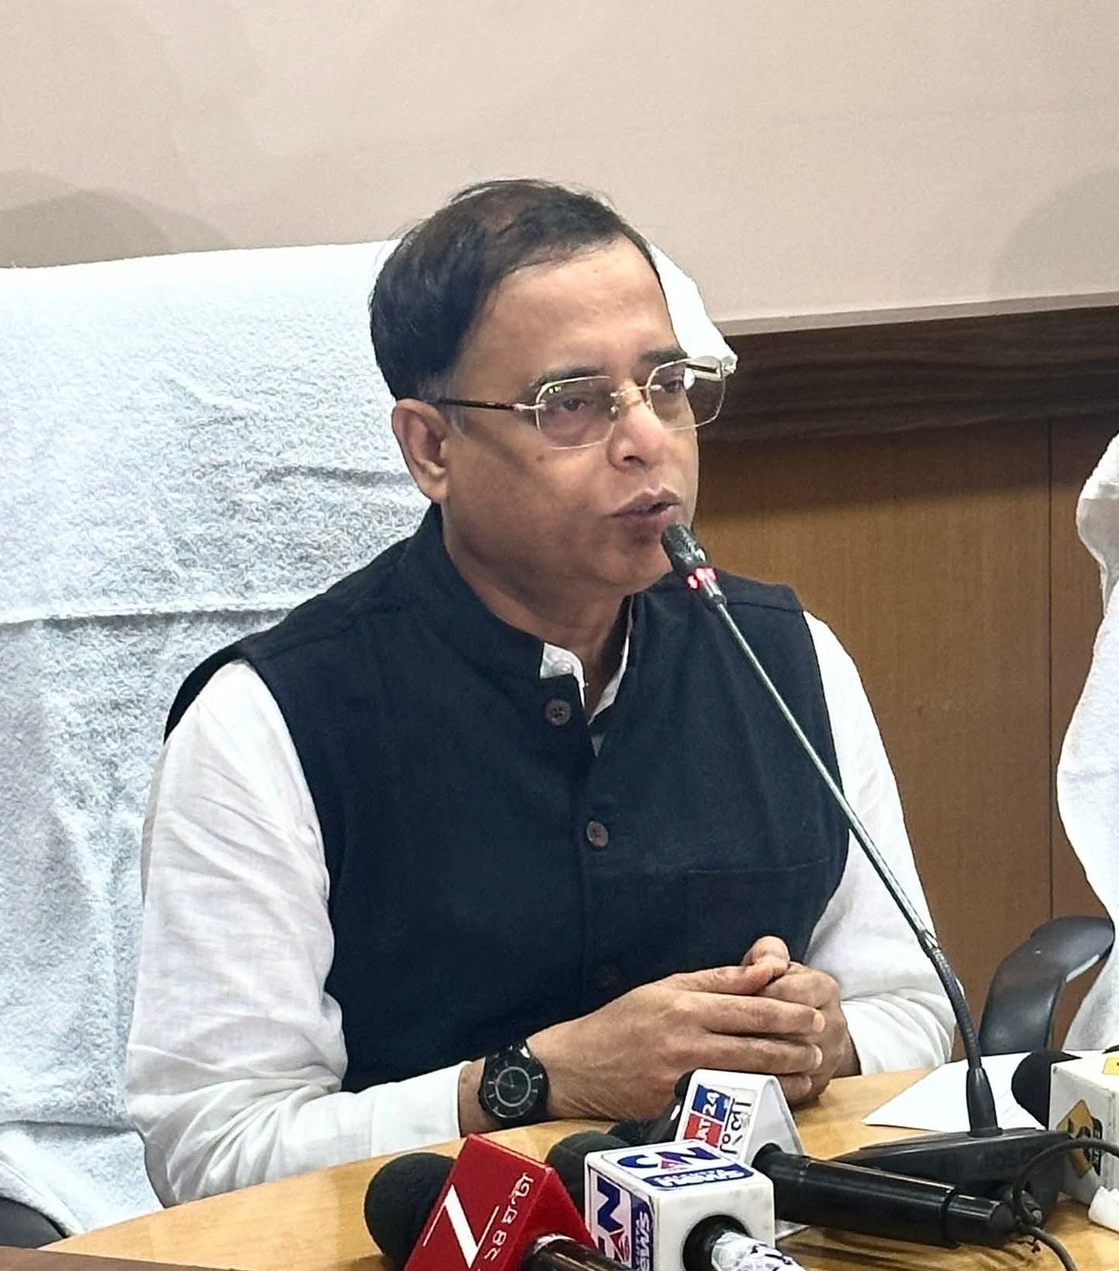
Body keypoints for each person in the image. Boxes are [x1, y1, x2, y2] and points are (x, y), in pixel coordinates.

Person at [126, 179, 956, 1205]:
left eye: (665, 385)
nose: (646, 439)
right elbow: (212, 1148)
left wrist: (825, 1038)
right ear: (432, 448)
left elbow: (914, 1006)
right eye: (570, 403)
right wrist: (529, 1082)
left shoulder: (787, 659)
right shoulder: (270, 722)